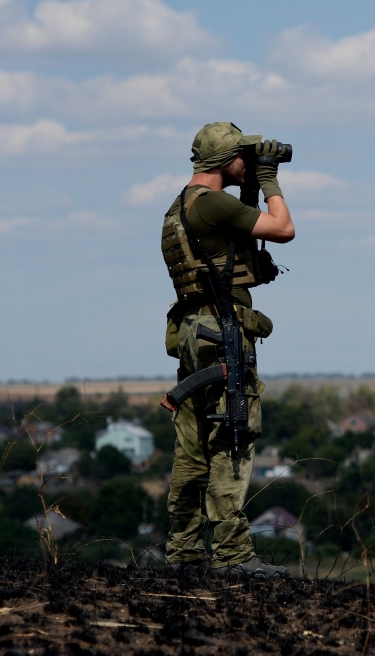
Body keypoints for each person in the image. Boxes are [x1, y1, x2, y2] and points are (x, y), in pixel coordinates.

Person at [160, 122, 295, 578]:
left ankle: (183, 550)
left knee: (192, 444)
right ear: (225, 160)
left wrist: (249, 185)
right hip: (222, 329)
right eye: (243, 156)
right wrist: (269, 180)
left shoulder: (184, 204)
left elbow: (236, 250)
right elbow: (284, 228)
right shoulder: (213, 202)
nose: (248, 162)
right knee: (232, 434)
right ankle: (233, 555)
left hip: (193, 330)